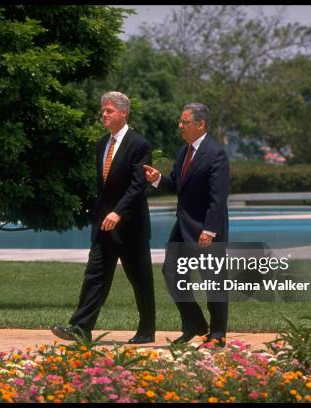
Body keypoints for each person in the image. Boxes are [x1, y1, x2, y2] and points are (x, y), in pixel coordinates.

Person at [51, 91, 156, 344]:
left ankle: (146, 331)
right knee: (95, 275)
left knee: (140, 279)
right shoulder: (101, 145)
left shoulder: (139, 145)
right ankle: (80, 328)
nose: (104, 115)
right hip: (103, 225)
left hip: (130, 226)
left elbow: (137, 186)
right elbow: (104, 186)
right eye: (103, 111)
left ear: (123, 113)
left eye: (109, 110)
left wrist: (118, 212)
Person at [143, 102, 229, 346]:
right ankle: (195, 324)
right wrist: (158, 179)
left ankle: (218, 334)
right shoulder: (184, 152)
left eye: (185, 122)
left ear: (200, 124)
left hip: (206, 229)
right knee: (172, 274)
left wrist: (209, 230)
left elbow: (218, 197)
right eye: (180, 122)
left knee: (213, 280)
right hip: (182, 227)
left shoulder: (216, 153)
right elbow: (177, 185)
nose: (180, 126)